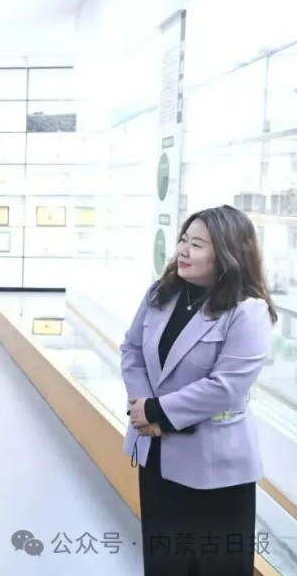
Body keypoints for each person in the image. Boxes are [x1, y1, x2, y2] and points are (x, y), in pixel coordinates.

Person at [120, 205, 277, 576]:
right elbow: (132, 349)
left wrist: (156, 411)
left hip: (215, 470)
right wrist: (143, 408)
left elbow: (226, 386)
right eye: (183, 240)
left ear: (227, 254)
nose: (183, 251)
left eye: (197, 245)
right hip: (157, 455)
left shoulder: (248, 311)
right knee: (164, 563)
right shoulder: (161, 293)